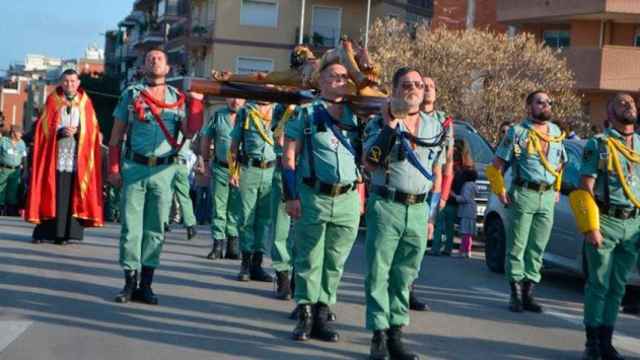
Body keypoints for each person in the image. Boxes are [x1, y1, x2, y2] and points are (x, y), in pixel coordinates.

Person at [108, 48, 203, 305]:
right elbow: (115, 138)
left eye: (159, 57)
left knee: (155, 229)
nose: (154, 59)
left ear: (168, 68)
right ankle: (129, 282)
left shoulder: (177, 99)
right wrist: (114, 169)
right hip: (135, 168)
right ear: (143, 66)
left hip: (164, 171)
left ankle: (146, 285)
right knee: (131, 229)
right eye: (149, 57)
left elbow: (191, 131)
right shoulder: (131, 95)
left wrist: (196, 102)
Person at [363, 67, 446, 360]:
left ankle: (397, 333)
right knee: (379, 272)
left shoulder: (435, 126)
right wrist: (388, 127)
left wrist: (432, 215)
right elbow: (370, 163)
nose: (413, 88)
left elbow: (437, 172)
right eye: (406, 84)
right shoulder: (378, 123)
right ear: (395, 90)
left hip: (419, 208)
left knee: (405, 275)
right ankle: (378, 335)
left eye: (418, 84)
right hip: (387, 205)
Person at [283, 62, 361, 342]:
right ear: (322, 80)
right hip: (313, 195)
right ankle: (304, 313)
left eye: (344, 77)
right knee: (308, 257)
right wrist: (290, 196)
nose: (339, 81)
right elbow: (289, 159)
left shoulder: (357, 114)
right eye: (333, 76)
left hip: (347, 197)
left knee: (335, 260)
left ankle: (322, 313)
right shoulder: (305, 113)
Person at [569, 93, 640, 359]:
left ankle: (607, 340)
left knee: (618, 286)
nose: (629, 105)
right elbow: (586, 187)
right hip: (606, 220)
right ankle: (593, 342)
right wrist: (591, 227)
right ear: (609, 114)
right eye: (621, 103)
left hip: (633, 223)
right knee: (598, 283)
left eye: (631, 102)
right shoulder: (599, 144)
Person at [487, 90, 566, 313]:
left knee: (538, 246)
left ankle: (529, 292)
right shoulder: (517, 133)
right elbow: (498, 164)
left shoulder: (556, 132)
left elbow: (560, 163)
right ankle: (515, 293)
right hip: (524, 193)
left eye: (548, 102)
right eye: (540, 102)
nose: (545, 105)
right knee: (517, 245)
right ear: (529, 106)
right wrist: (500, 189)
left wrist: (558, 187)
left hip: (547, 196)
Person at [26, 69, 104, 244]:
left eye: (73, 81)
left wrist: (79, 132)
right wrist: (60, 131)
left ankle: (65, 234)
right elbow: (42, 128)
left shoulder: (86, 103)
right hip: (55, 155)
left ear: (78, 83)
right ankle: (45, 232)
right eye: (66, 81)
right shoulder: (52, 101)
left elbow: (93, 129)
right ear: (61, 83)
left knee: (71, 194)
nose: (69, 84)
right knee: (53, 191)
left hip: (77, 156)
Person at [228, 100, 282, 282]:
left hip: (272, 171)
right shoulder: (245, 112)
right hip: (249, 169)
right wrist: (233, 172)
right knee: (246, 218)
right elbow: (234, 145)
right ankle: (245, 264)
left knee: (265, 220)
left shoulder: (280, 111)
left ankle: (257, 265)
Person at [201, 98, 244, 260]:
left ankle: (233, 246)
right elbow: (206, 139)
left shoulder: (249, 116)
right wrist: (205, 162)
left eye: (239, 98)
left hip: (241, 170)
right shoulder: (218, 116)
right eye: (232, 97)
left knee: (235, 208)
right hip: (221, 167)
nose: (235, 101)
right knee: (219, 206)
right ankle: (217, 245)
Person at [271, 104, 296, 300]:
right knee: (281, 226)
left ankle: (300, 278)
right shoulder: (284, 107)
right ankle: (282, 275)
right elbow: (278, 139)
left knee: (305, 231)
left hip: (311, 174)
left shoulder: (325, 105)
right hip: (286, 172)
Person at [170, 138, 198, 239]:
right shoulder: (187, 129)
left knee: (165, 194)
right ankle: (190, 225)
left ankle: (163, 222)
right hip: (182, 164)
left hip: (169, 163)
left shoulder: (172, 125)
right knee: (184, 196)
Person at [452, 163, 478, 259]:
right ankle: (468, 250)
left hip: (466, 210)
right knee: (469, 233)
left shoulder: (466, 185)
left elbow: (465, 198)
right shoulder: (475, 185)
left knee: (465, 233)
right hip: (472, 210)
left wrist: (454, 195)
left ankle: (463, 251)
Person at [0, 126, 27, 216]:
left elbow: (24, 157)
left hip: (15, 171)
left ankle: (10, 211)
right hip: (3, 169)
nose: (21, 134)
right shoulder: (3, 141)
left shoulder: (22, 143)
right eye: (19, 132)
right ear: (13, 133)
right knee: (1, 189)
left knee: (13, 190)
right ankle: (1, 208)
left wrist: (25, 170)